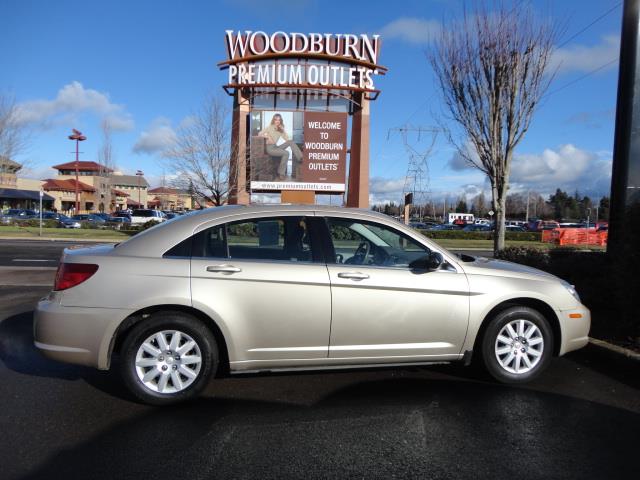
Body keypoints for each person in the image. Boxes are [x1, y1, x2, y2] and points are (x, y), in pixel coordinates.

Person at [258, 113, 303, 180]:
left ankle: (300, 158)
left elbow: (287, 139)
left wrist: (283, 130)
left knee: (290, 142)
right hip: (270, 149)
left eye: (279, 120)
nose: (277, 121)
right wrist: (267, 137)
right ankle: (281, 173)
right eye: (276, 119)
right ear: (273, 120)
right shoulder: (269, 127)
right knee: (286, 153)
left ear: (280, 121)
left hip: (276, 147)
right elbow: (259, 134)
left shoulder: (280, 129)